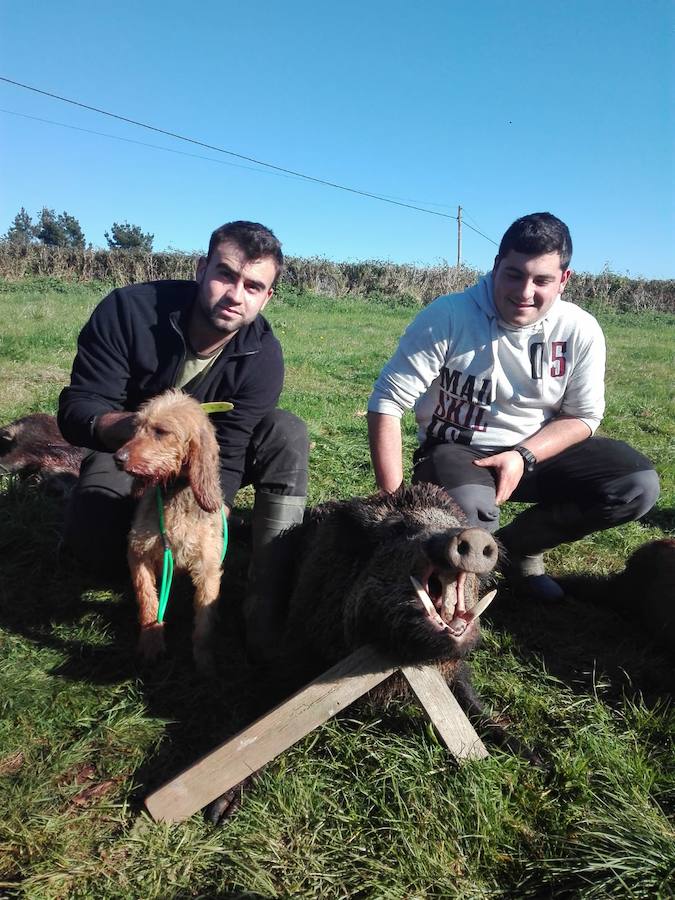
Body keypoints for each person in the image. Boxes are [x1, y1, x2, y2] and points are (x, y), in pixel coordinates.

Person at [367, 212, 660, 599]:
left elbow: (583, 416)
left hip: (537, 450)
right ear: (496, 267)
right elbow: (388, 401)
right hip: (459, 449)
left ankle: (519, 550)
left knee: (636, 485)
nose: (524, 292)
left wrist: (523, 455)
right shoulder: (449, 316)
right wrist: (396, 503)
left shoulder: (580, 329)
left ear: (564, 280)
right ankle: (460, 589)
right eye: (514, 274)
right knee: (472, 516)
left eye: (542, 280)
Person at [58, 220, 308, 657]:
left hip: (203, 460)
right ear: (200, 269)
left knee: (287, 431)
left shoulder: (262, 355)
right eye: (225, 275)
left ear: (267, 297)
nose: (235, 295)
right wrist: (143, 434)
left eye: (253, 286)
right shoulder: (128, 312)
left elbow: (229, 450)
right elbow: (79, 408)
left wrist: (207, 509)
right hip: (125, 450)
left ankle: (264, 592)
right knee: (95, 543)